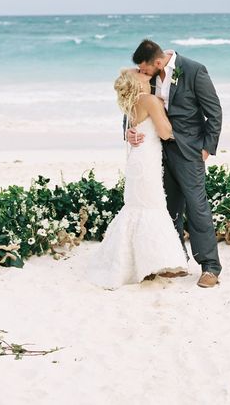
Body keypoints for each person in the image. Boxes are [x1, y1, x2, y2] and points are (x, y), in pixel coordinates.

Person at [128, 39, 222, 288]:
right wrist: (129, 129)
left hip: (188, 150)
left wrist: (206, 148)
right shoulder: (147, 75)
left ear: (158, 62)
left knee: (196, 205)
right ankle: (177, 260)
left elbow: (214, 111)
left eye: (145, 68)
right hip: (157, 150)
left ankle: (210, 267)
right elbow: (132, 102)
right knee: (169, 206)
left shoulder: (193, 70)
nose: (142, 73)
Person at [90, 68, 188, 290]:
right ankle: (152, 264)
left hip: (137, 159)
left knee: (138, 207)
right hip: (148, 161)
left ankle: (140, 262)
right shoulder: (151, 100)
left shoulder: (131, 102)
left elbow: (133, 126)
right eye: (139, 72)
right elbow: (164, 132)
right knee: (152, 207)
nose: (144, 71)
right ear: (137, 82)